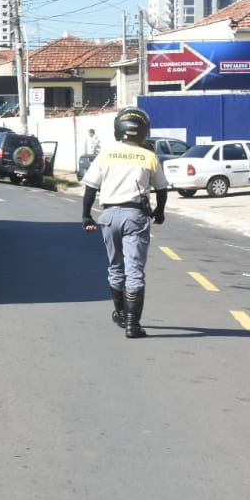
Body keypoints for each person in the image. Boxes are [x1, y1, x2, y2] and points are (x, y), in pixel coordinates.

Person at [81, 107, 168, 338]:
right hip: (135, 216)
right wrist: (159, 212)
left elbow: (91, 187)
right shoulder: (149, 156)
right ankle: (132, 324)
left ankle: (120, 314)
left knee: (115, 268)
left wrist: (86, 215)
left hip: (109, 216)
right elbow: (161, 189)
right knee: (134, 270)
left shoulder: (106, 155)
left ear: (118, 128)